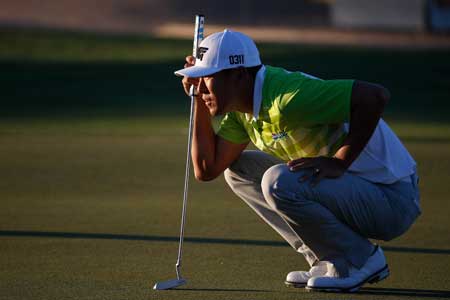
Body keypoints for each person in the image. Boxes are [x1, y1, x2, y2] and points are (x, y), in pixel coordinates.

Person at [174, 29, 421, 292]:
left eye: (207, 78)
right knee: (239, 171)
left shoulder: (287, 99)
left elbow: (374, 96)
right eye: (196, 80)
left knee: (277, 181)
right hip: (354, 192)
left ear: (239, 75)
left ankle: (357, 261)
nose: (200, 87)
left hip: (391, 199)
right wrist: (198, 99)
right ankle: (325, 258)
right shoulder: (241, 113)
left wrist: (340, 161)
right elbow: (206, 168)